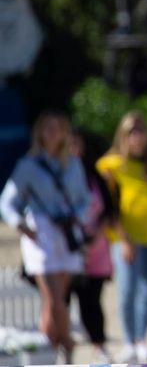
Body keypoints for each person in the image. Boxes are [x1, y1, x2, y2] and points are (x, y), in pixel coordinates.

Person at [0, 110, 89, 363]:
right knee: (53, 297)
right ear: (39, 132)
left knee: (54, 301)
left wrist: (77, 217)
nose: (52, 133)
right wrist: (21, 226)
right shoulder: (27, 165)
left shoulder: (72, 164)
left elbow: (85, 199)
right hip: (41, 233)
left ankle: (47, 350)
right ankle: (68, 345)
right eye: (47, 128)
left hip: (67, 233)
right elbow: (7, 202)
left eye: (57, 128)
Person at [96, 112, 147, 363]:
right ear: (123, 135)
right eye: (132, 132)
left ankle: (142, 339)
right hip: (126, 236)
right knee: (127, 289)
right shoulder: (110, 165)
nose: (137, 138)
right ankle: (129, 340)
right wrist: (123, 238)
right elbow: (108, 207)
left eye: (141, 131)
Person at [68, 129, 115, 364]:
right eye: (69, 144)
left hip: (95, 246)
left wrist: (97, 232)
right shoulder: (56, 175)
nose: (74, 149)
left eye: (77, 144)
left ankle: (99, 346)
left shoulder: (93, 174)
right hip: (65, 247)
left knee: (92, 301)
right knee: (62, 300)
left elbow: (109, 208)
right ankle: (63, 349)